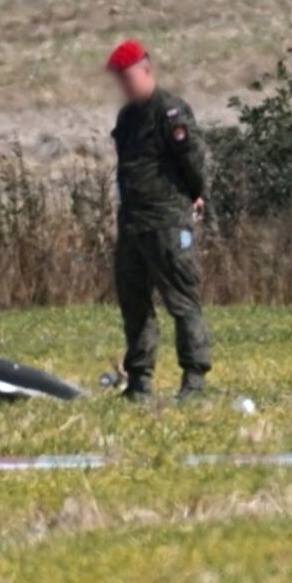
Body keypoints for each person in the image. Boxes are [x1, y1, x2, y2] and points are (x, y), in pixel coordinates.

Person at [106, 40, 212, 401]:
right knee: (134, 303)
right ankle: (139, 382)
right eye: (118, 80)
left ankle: (194, 380)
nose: (123, 86)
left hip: (167, 220)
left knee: (182, 301)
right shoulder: (127, 118)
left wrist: (195, 193)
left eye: (127, 77)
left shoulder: (170, 112)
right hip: (133, 223)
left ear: (146, 71)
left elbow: (194, 160)